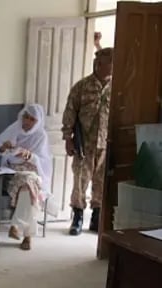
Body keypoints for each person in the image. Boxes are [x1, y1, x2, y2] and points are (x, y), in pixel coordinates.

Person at [61, 47, 113, 235]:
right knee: (80, 180)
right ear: (99, 64)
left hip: (106, 143)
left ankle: (96, 217)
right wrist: (68, 138)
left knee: (102, 182)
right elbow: (70, 112)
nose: (113, 66)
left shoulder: (118, 86)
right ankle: (77, 216)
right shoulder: (82, 86)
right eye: (111, 63)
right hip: (85, 143)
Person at [0, 104, 52, 250]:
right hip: (11, 174)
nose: (27, 122)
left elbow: (43, 162)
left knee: (29, 184)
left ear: (38, 121)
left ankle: (16, 225)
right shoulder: (14, 129)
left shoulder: (41, 136)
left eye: (32, 119)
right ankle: (27, 235)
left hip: (34, 172)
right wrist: (3, 148)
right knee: (28, 187)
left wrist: (30, 156)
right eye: (26, 117)